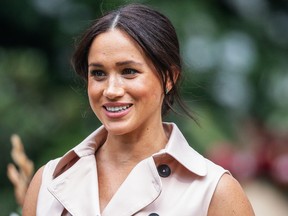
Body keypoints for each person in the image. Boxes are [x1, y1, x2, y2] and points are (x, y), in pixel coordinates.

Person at [23, 3, 255, 216]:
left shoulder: (214, 191)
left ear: (169, 78)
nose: (111, 90)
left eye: (129, 71)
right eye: (99, 73)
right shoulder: (48, 182)